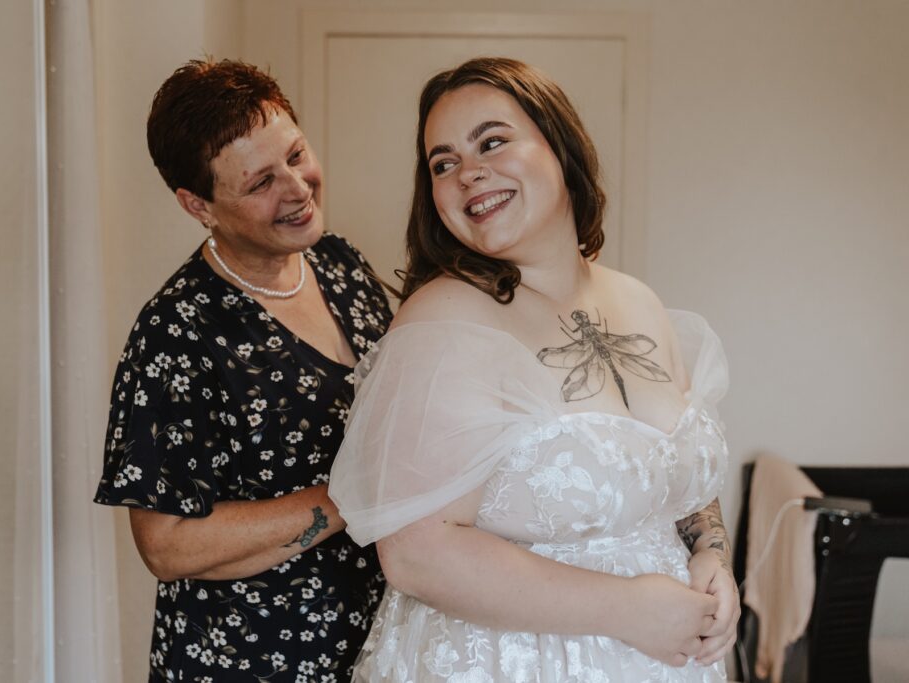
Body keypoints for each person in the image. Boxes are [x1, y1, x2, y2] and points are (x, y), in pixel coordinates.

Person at [329, 57, 739, 682]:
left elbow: (674, 473)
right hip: (518, 661)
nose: (469, 173)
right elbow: (417, 553)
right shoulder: (443, 320)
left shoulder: (639, 301)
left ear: (560, 146)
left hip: (669, 657)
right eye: (443, 163)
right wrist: (627, 610)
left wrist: (712, 553)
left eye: (491, 141)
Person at [94, 58, 392, 682]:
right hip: (246, 659)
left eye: (296, 153)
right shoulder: (177, 332)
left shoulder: (339, 263)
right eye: (260, 182)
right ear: (197, 203)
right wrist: (351, 494)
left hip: (369, 639)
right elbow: (167, 544)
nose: (297, 187)